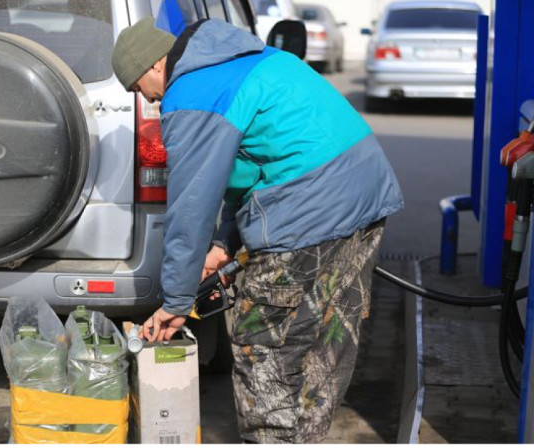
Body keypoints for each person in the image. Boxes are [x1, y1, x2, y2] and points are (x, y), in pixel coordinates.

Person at [112, 17, 404, 443]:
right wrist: (223, 245)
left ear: (154, 66)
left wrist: (175, 300)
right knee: (324, 347)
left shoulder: (191, 93)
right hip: (364, 197)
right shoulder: (245, 59)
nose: (149, 100)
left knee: (263, 349)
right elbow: (247, 170)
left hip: (308, 209)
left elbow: (191, 203)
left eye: (139, 88)